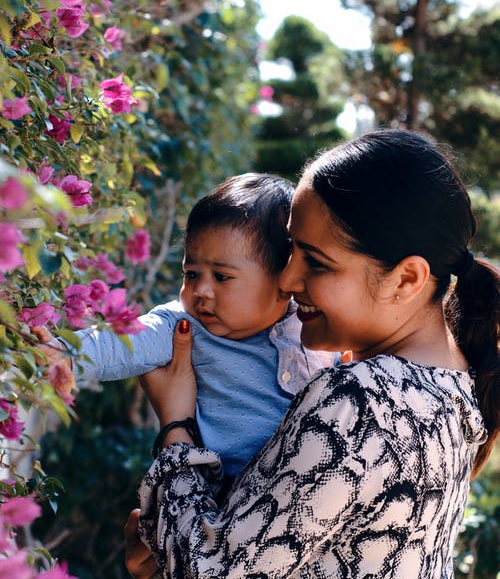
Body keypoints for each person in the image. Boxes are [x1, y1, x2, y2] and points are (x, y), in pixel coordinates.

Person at [134, 129, 499, 579]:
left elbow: (210, 571)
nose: (285, 281)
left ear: (405, 280)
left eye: (316, 262)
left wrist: (176, 425)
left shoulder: (362, 401)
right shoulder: (453, 386)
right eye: (290, 251)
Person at [37, 173, 336, 477]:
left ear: (283, 280)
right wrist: (65, 354)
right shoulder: (184, 326)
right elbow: (127, 338)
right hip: (215, 493)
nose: (200, 290)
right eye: (191, 274)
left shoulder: (314, 325)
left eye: (221, 277)